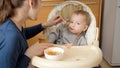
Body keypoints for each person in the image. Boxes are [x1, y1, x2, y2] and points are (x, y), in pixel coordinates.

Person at [0, 0, 63, 68]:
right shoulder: (11, 36)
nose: (41, 6)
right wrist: (29, 54)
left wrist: (46, 24)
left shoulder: (13, 25)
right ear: (31, 3)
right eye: (40, 2)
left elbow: (23, 34)